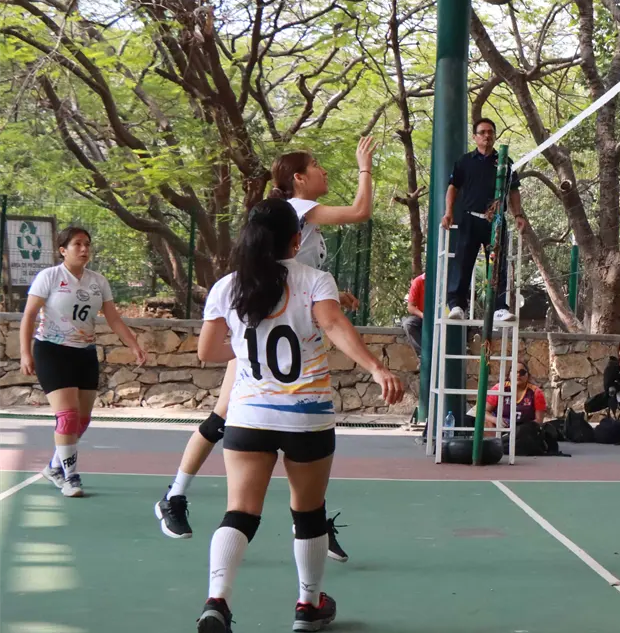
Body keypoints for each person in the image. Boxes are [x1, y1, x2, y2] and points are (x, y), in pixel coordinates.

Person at [156, 139, 377, 559]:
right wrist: (365, 166)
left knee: (232, 419)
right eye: (316, 165)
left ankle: (307, 519)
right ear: (298, 179)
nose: (324, 170)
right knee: (225, 418)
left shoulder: (301, 223)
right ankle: (175, 496)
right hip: (262, 325)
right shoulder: (296, 209)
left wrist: (331, 299)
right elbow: (360, 212)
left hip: (275, 321)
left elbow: (297, 278)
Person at [194, 199, 403, 632]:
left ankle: (217, 600)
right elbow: (334, 325)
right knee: (308, 513)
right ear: (296, 239)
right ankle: (308, 606)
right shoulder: (314, 280)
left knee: (240, 511)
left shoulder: (228, 287)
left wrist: (246, 348)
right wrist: (376, 368)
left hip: (249, 416)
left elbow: (208, 351)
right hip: (306, 417)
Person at [20, 226, 148, 498]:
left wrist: (134, 344)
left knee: (82, 420)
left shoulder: (97, 281)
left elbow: (113, 319)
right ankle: (70, 477)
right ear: (63, 250)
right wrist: (25, 353)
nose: (84, 249)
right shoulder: (49, 277)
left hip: (84, 353)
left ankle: (54, 467)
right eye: (77, 244)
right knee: (67, 416)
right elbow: (29, 315)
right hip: (52, 351)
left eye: (87, 244)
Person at [440, 118, 528, 322]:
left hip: (495, 221)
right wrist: (448, 212)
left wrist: (518, 215)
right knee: (462, 262)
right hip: (469, 219)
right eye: (482, 132)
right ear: (475, 137)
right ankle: (456, 305)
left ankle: (499, 308)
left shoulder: (505, 162)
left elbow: (514, 190)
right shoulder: (464, 161)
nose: (487, 136)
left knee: (498, 264)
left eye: (490, 132)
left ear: (495, 136)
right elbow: (453, 187)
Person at [483, 360, 547, 430]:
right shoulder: (499, 388)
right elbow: (484, 411)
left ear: (528, 375)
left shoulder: (536, 392)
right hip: (500, 428)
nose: (518, 375)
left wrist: (521, 430)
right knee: (487, 422)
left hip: (525, 430)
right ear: (509, 375)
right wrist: (494, 419)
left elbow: (539, 420)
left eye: (522, 372)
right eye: (514, 372)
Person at [402, 272, 425, 356]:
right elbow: (410, 307)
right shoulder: (418, 281)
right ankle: (423, 355)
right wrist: (423, 316)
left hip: (441, 316)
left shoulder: (444, 280)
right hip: (422, 317)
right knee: (408, 324)